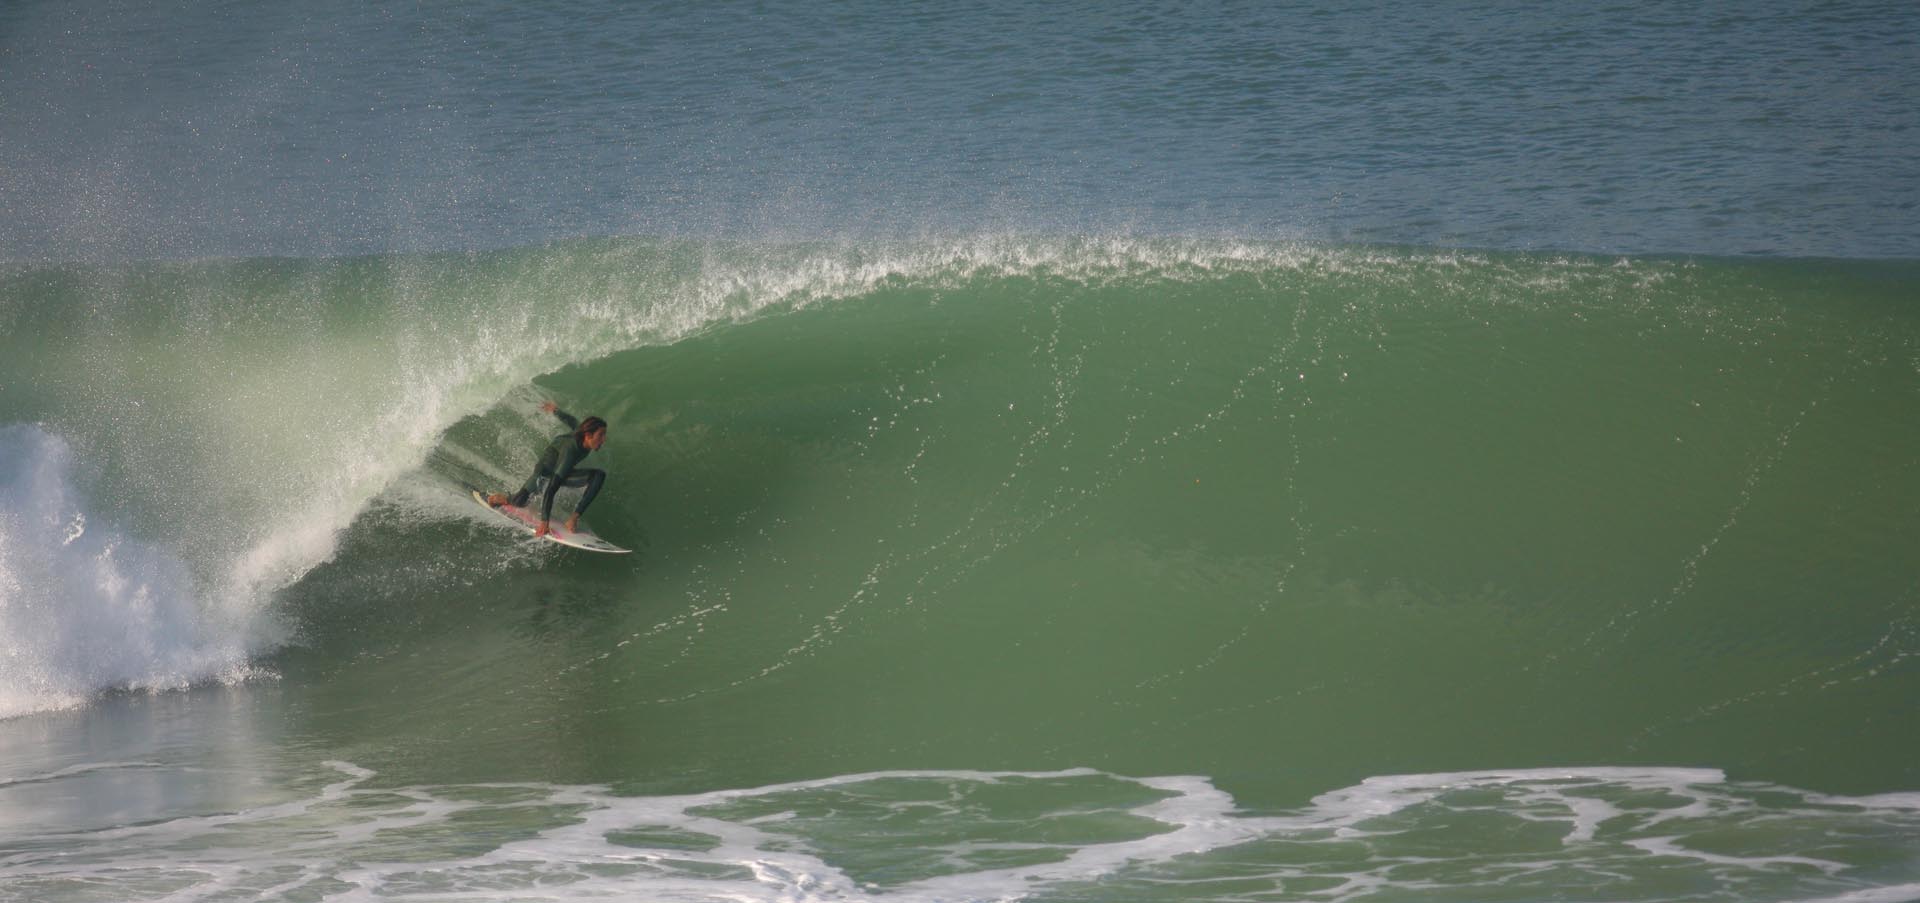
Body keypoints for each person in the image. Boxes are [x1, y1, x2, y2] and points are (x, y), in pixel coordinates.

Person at [488, 401, 608, 537]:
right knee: (519, 502)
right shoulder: (570, 449)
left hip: (562, 470)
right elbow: (551, 489)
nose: (604, 439)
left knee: (598, 476)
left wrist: (555, 410)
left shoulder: (582, 434)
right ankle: (504, 498)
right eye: (601, 435)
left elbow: (572, 421)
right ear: (588, 435)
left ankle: (573, 518)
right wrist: (545, 522)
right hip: (544, 472)